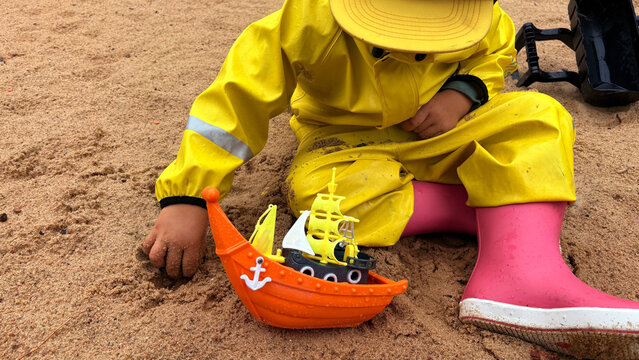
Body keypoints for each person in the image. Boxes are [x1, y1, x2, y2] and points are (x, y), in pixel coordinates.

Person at [142, 0, 639, 357]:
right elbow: (233, 103)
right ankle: (505, 210)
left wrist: (462, 93)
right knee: (319, 195)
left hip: (446, 132)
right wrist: (185, 195)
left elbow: (497, 51)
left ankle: (519, 278)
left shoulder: (481, 15)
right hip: (346, 142)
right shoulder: (307, 21)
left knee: (537, 114)